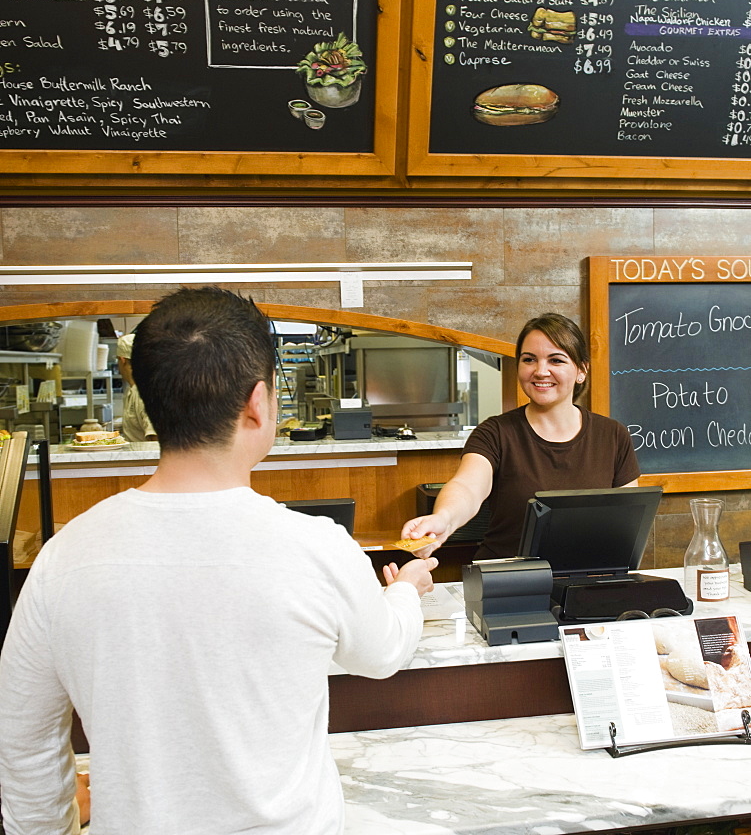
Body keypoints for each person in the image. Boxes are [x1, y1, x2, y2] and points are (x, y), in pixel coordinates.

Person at [0, 287, 437, 835]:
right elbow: (382, 651)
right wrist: (406, 590)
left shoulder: (64, 556)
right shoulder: (317, 547)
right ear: (259, 403)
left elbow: (23, 742)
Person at [401, 312, 640, 560]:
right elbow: (467, 487)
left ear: (581, 370)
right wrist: (444, 519)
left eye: (556, 360)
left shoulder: (613, 435)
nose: (540, 371)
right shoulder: (495, 433)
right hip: (509, 580)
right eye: (529, 360)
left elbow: (628, 520)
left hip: (587, 580)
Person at [116, 332, 157, 442]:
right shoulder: (134, 389)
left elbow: (155, 438)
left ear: (122, 360)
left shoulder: (144, 392)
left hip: (148, 458)